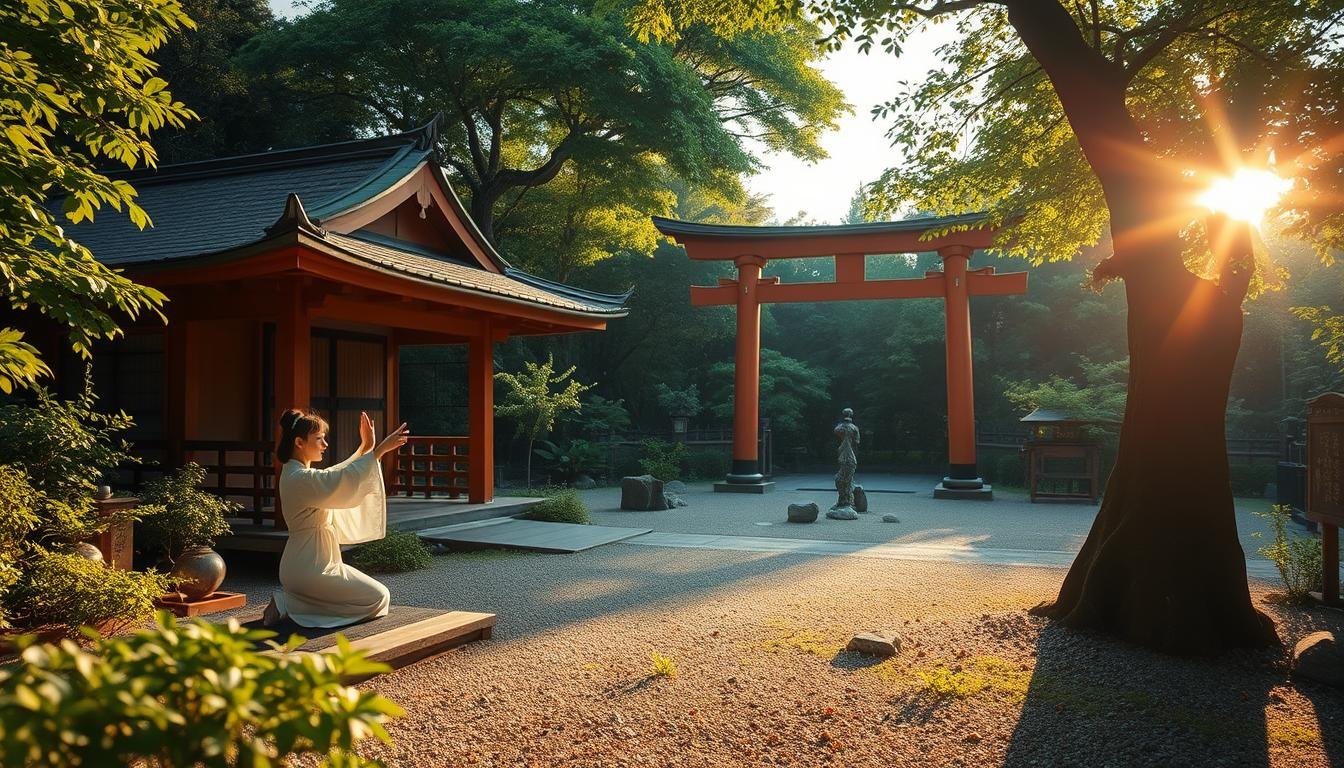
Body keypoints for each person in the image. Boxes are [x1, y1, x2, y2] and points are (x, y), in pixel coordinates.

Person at [261, 408, 410, 628]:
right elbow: (339, 479)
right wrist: (377, 451)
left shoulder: (297, 474)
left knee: (379, 597)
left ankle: (291, 601)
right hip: (308, 568)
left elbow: (337, 475)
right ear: (300, 443)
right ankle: (289, 601)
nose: (325, 445)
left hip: (317, 564)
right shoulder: (298, 477)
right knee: (376, 598)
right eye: (319, 439)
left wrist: (367, 449)